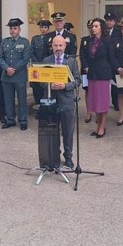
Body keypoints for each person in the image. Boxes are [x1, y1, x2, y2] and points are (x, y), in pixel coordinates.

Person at [44, 35, 82, 169]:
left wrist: (65, 86)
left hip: (67, 102)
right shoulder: (46, 60)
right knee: (52, 132)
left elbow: (78, 81)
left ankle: (68, 157)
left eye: (60, 46)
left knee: (67, 132)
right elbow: (41, 82)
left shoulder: (71, 61)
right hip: (52, 102)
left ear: (65, 46)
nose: (58, 48)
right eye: (56, 46)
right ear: (52, 46)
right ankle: (54, 157)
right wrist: (49, 85)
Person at [83, 17, 118, 138]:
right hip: (92, 74)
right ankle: (97, 126)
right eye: (93, 26)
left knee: (102, 102)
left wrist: (118, 69)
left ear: (101, 28)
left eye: (96, 26)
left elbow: (112, 58)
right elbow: (87, 57)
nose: (93, 28)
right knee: (94, 102)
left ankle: (102, 126)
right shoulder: (91, 41)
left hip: (103, 74)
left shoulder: (107, 41)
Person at [0, 18, 31, 130]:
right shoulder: (4, 41)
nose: (12, 30)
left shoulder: (25, 42)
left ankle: (22, 120)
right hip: (6, 76)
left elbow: (25, 59)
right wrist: (7, 68)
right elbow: (0, 57)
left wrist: (14, 69)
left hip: (19, 76)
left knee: (22, 99)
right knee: (8, 100)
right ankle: (10, 120)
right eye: (11, 28)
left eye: (15, 28)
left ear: (19, 29)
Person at [30, 19, 51, 106]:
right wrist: (37, 63)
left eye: (45, 27)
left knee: (45, 88)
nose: (44, 29)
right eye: (42, 27)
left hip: (47, 66)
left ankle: (45, 108)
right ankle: (37, 105)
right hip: (36, 66)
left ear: (48, 28)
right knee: (36, 87)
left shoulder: (51, 38)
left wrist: (44, 63)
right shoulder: (35, 38)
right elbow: (31, 52)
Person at [79, 19, 94, 123]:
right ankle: (89, 113)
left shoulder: (100, 39)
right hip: (86, 69)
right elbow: (82, 55)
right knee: (88, 91)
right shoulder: (84, 39)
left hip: (97, 69)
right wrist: (86, 66)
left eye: (92, 27)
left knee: (96, 91)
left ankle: (98, 113)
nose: (91, 29)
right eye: (89, 27)